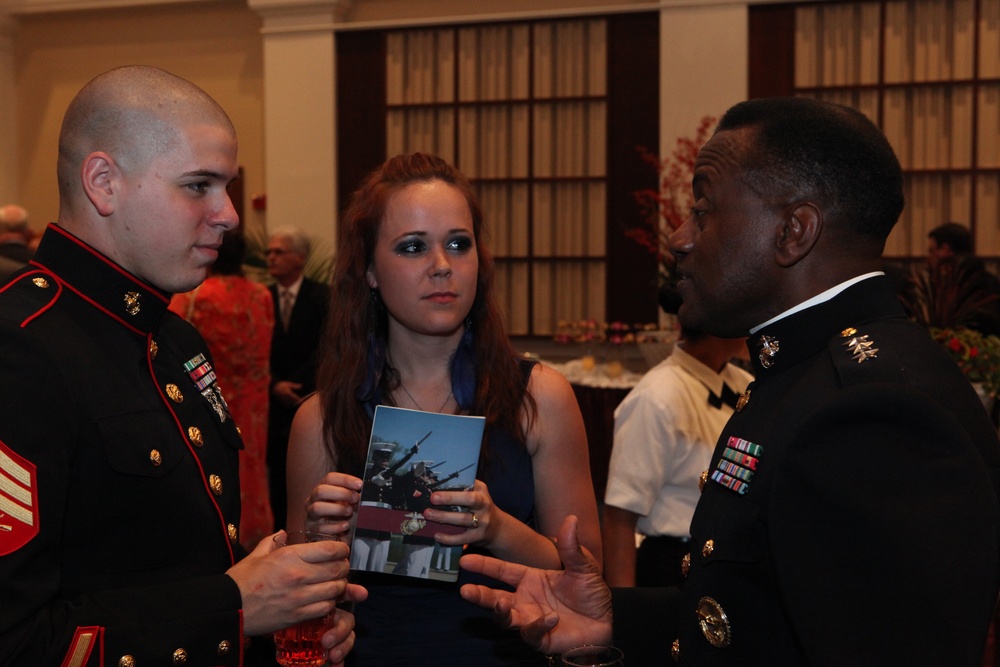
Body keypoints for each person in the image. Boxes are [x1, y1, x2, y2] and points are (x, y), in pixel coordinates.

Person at [460, 97, 1000, 666]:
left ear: (794, 231)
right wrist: (611, 618)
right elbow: (752, 615)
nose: (679, 236)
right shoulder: (805, 371)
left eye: (704, 211)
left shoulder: (872, 410)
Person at [0, 65, 362, 666]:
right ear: (103, 182)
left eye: (227, 187)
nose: (228, 214)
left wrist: (277, 595)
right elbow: (15, 640)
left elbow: (176, 552)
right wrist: (234, 606)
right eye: (199, 185)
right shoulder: (21, 346)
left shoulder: (173, 340)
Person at [284, 152, 602, 665]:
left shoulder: (540, 397)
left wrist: (497, 528)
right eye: (412, 247)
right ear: (368, 270)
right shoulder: (319, 419)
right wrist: (321, 544)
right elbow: (302, 613)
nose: (441, 266)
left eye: (459, 243)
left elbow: (588, 574)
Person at [602, 295, 752, 588]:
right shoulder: (655, 397)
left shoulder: (743, 383)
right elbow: (619, 517)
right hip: (672, 565)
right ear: (720, 325)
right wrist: (625, 613)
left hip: (732, 560)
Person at [169, 228, 275, 549]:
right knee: (253, 466)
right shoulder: (261, 295)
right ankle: (255, 533)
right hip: (255, 400)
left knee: (213, 464)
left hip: (211, 397)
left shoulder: (195, 297)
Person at [266, 225, 329, 530]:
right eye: (269, 252)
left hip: (310, 398)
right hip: (271, 406)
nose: (271, 258)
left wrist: (300, 384)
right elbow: (251, 351)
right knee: (275, 480)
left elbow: (327, 347)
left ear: (300, 258)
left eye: (279, 251)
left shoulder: (323, 296)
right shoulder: (260, 298)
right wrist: (274, 383)